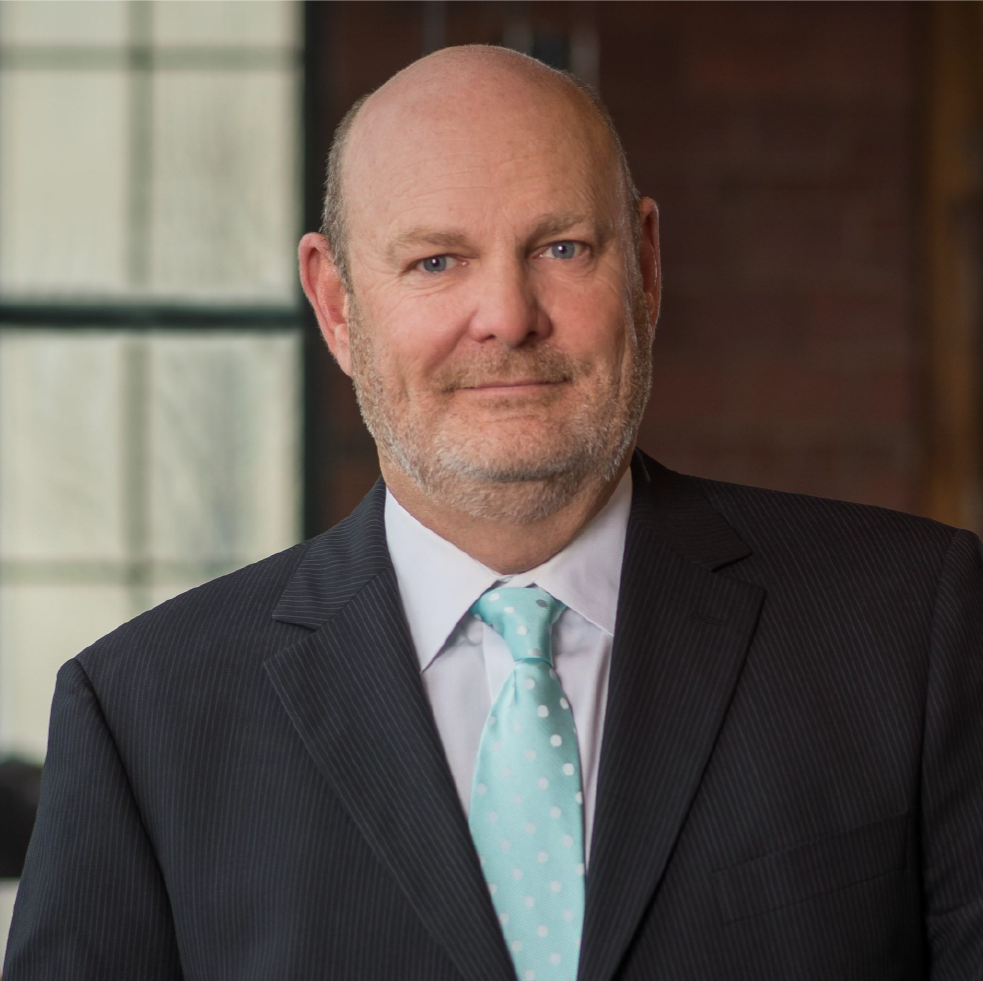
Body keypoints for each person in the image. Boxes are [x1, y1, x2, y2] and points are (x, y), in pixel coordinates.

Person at [4, 44, 982, 981]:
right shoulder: (140, 720)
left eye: (561, 247)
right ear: (337, 305)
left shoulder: (913, 627)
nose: (508, 316)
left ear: (643, 266)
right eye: (436, 261)